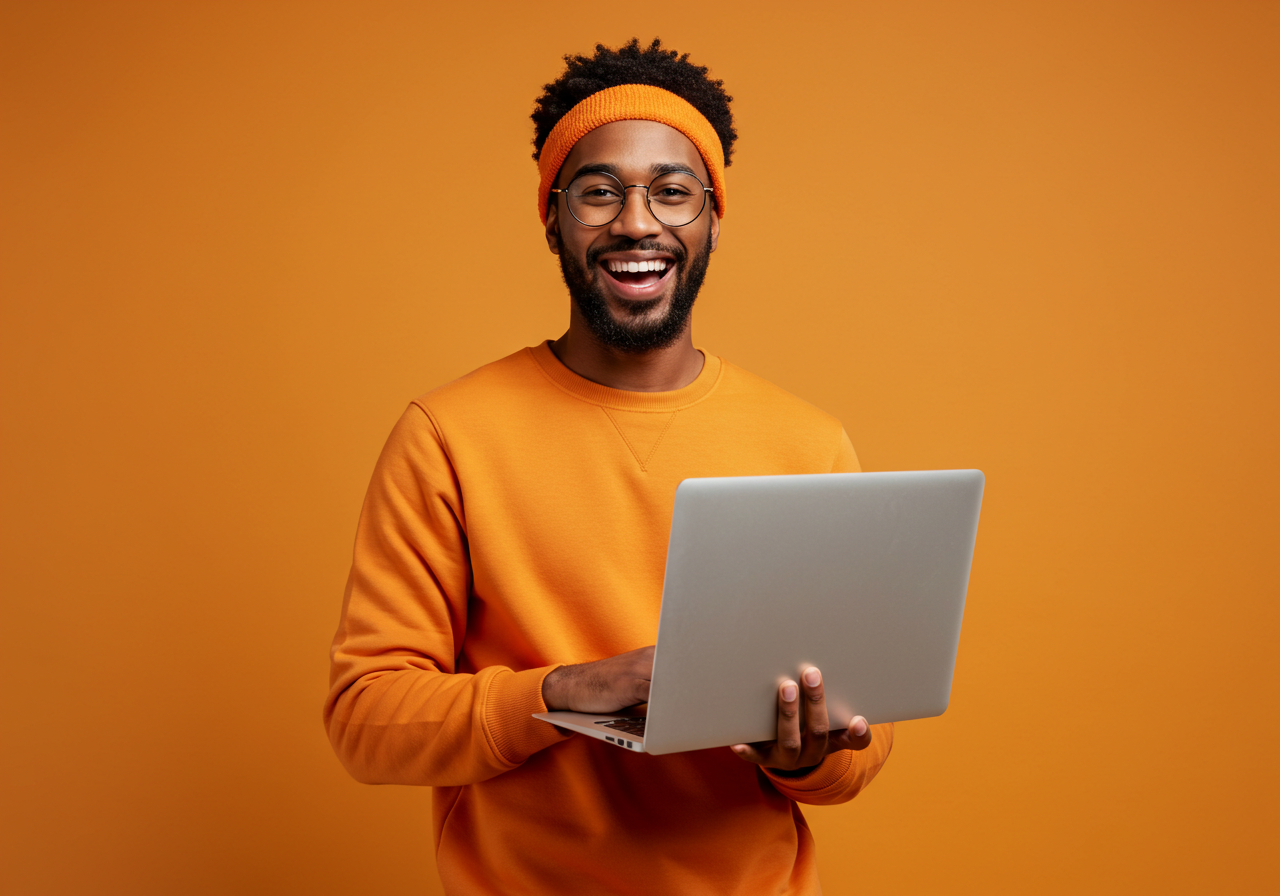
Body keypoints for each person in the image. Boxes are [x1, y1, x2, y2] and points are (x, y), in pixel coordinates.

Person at [325, 38, 893, 895]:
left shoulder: (807, 445)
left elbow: (861, 752)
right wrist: (571, 691)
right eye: (599, 192)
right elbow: (366, 720)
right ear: (552, 217)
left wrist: (806, 755)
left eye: (673, 191)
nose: (637, 222)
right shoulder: (446, 435)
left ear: (712, 219)